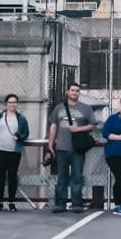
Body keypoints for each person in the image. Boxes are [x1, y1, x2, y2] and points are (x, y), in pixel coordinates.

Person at [47, 83, 96, 213]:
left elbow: (92, 125)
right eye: (72, 90)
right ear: (67, 91)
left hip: (77, 148)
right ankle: (60, 203)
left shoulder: (86, 108)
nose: (75, 93)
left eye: (77, 91)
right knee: (61, 177)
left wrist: (77, 129)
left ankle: (76, 203)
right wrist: (50, 144)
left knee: (76, 177)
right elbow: (53, 126)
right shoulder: (59, 108)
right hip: (61, 147)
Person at [0, 93, 30, 212]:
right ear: (6, 104)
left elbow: (26, 133)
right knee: (0, 176)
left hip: (14, 152)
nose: (12, 104)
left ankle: (11, 202)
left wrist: (20, 137)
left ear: (17, 104)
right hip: (0, 151)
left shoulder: (21, 118)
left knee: (12, 176)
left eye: (14, 102)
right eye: (10, 102)